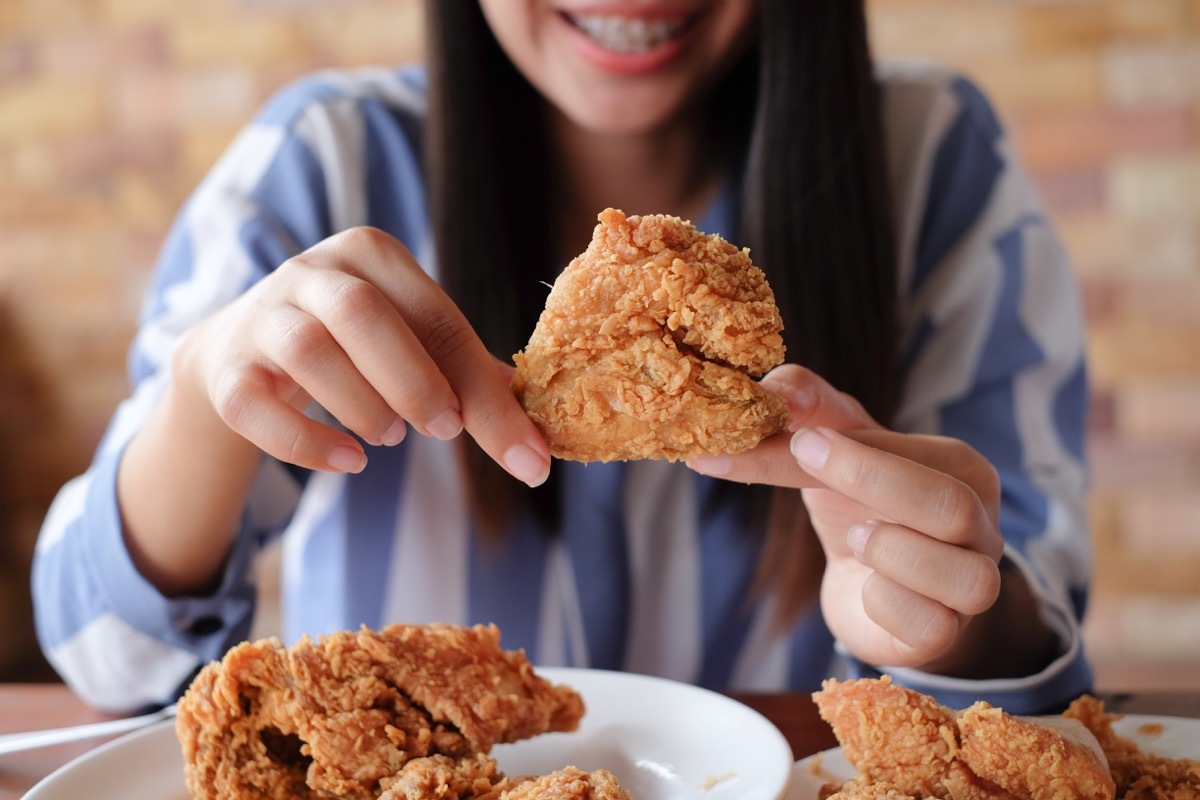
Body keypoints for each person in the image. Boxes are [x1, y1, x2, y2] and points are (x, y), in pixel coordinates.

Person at [33, 0, 1094, 715]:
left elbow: (1038, 679)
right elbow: (102, 656)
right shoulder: (323, 161)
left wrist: (954, 621)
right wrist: (200, 396)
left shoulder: (934, 162)